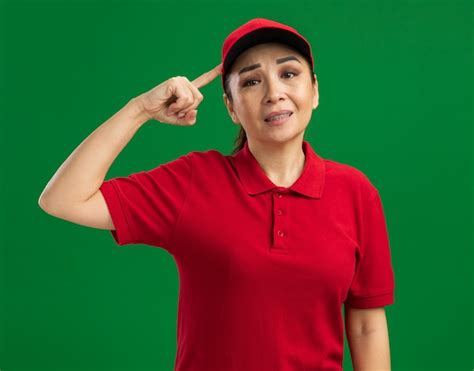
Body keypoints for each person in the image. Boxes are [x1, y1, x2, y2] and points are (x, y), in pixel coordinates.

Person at [39, 17, 395, 371]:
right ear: (230, 107)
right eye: (252, 81)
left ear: (314, 91)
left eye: (288, 74)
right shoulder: (195, 180)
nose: (274, 93)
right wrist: (140, 110)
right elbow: (63, 199)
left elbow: (366, 325)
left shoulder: (356, 192)